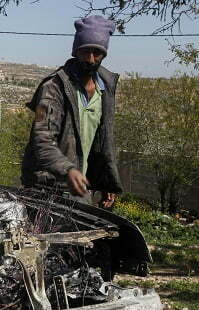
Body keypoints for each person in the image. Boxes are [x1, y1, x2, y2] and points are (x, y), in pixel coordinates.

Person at [21, 15, 123, 208]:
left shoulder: (105, 90)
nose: (91, 59)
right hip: (46, 189)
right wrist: (68, 170)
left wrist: (105, 178)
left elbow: (101, 140)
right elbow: (41, 140)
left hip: (79, 188)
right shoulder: (53, 88)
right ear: (76, 50)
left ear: (104, 54)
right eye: (85, 52)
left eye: (97, 53)